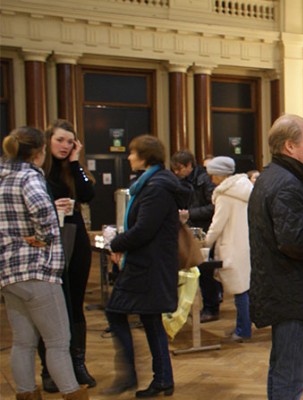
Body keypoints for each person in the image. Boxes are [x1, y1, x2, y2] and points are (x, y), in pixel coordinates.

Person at [248, 114, 303, 399]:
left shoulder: (274, 177)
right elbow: (296, 241)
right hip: (292, 291)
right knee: (292, 375)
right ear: (289, 146)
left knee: (283, 368)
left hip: (282, 286)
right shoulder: (287, 184)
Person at [1, 127, 89, 400]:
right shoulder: (29, 178)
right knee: (59, 342)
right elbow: (41, 209)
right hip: (37, 271)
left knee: (23, 342)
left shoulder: (3, 178)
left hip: (9, 272)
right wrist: (44, 236)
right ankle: (72, 393)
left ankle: (26, 394)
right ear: (40, 152)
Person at [102, 135, 189, 397]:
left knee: (116, 312)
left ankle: (129, 375)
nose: (128, 157)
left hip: (148, 267)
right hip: (149, 264)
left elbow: (144, 230)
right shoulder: (152, 183)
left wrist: (115, 244)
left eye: (132, 152)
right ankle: (162, 379)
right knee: (151, 320)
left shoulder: (156, 187)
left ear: (145, 156)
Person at [39, 119, 97, 391]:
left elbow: (88, 193)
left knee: (75, 303)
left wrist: (76, 161)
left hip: (75, 239)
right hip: (48, 242)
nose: (65, 146)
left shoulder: (72, 169)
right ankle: (49, 369)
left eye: (70, 142)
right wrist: (52, 206)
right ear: (48, 140)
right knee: (50, 307)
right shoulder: (38, 172)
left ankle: (78, 364)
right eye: (60, 140)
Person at [203, 156, 253, 342]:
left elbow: (217, 224)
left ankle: (243, 330)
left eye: (212, 175)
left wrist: (205, 242)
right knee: (244, 288)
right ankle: (243, 326)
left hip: (232, 246)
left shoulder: (225, 195)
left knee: (239, 290)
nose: (211, 179)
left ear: (219, 174)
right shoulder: (246, 188)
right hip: (246, 245)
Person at [171, 150, 221, 321]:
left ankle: (211, 308)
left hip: (205, 230)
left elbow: (213, 206)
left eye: (179, 169)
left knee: (206, 272)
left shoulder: (205, 179)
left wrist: (190, 214)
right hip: (190, 229)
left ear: (189, 166)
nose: (176, 173)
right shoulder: (182, 182)